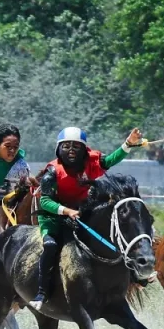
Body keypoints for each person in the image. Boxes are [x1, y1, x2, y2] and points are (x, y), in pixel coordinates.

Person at [30, 126, 143, 310]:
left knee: (112, 235)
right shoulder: (52, 172)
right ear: (59, 149)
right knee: (50, 246)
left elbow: (110, 160)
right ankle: (42, 292)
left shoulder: (91, 163)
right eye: (66, 146)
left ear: (84, 149)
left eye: (76, 146)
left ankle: (134, 276)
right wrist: (66, 211)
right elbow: (45, 201)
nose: (71, 150)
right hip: (54, 217)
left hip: (82, 213)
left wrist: (128, 143)